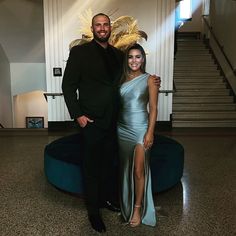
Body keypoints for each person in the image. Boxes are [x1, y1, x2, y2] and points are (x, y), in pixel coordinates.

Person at [62, 13, 160, 233]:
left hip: (116, 122)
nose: (102, 28)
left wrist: (152, 80)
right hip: (91, 121)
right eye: (98, 25)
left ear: (110, 28)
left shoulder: (119, 55)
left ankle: (106, 199)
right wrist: (78, 115)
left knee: (109, 164)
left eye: (106, 25)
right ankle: (93, 211)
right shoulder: (79, 53)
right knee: (91, 166)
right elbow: (68, 86)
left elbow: (132, 78)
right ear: (93, 28)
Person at [118, 43, 159, 227]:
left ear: (143, 59)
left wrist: (150, 132)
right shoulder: (121, 79)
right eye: (130, 57)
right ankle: (125, 204)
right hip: (121, 129)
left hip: (141, 129)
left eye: (138, 56)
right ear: (126, 60)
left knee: (138, 170)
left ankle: (137, 208)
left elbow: (154, 108)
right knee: (126, 168)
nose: (134, 60)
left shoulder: (150, 79)